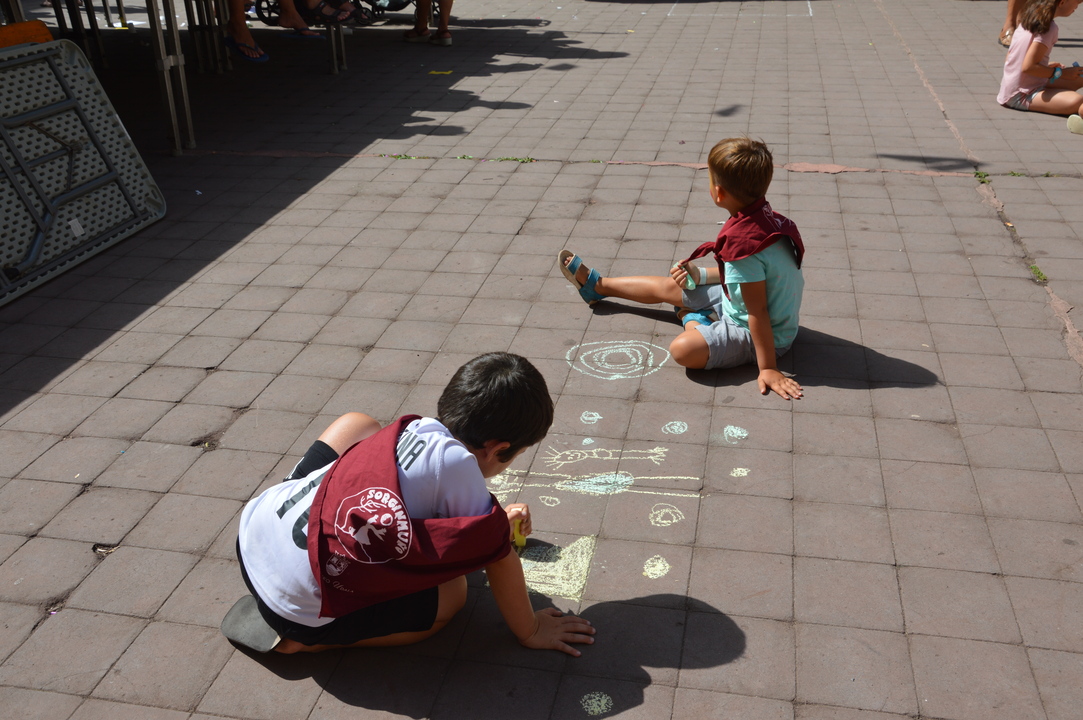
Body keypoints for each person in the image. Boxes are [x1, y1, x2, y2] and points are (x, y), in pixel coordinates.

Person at [224, 352, 596, 656]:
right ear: (498, 449)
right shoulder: (461, 467)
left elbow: (426, 492)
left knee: (359, 424)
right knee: (452, 595)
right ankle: (310, 643)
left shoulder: (416, 427)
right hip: (300, 608)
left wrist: (491, 521)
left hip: (254, 534)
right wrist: (531, 629)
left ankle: (298, 502)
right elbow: (500, 559)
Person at [558, 137, 805, 401]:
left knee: (683, 350)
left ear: (718, 192)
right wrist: (700, 275)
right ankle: (597, 286)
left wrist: (768, 368)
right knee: (672, 286)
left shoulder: (746, 245)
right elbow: (747, 278)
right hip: (739, 303)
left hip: (761, 334)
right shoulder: (764, 221)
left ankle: (695, 319)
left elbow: (758, 311)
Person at [998, 0, 1083, 134]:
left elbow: (1011, 58)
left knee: (1080, 75)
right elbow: (1028, 67)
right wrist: (1060, 73)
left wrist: (1045, 66)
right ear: (1062, 2)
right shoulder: (1049, 28)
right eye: (1077, 2)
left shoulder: (1028, 17)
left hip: (1019, 85)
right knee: (1078, 101)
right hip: (1021, 94)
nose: (1078, 6)